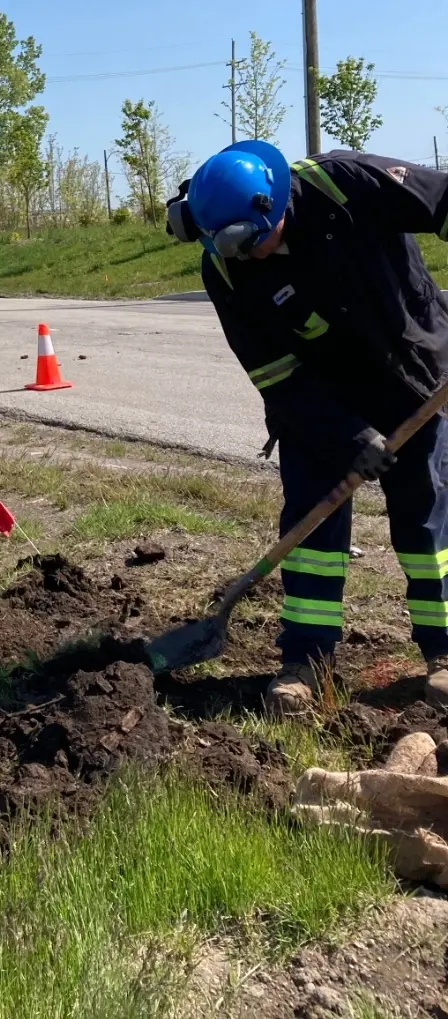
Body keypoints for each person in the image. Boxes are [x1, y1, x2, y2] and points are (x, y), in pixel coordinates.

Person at [165, 140, 448, 718]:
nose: (247, 258)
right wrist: (347, 435)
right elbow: (274, 373)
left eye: (251, 242)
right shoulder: (225, 265)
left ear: (274, 207)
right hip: (317, 400)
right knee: (311, 534)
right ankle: (305, 662)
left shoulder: (348, 183)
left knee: (427, 523)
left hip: (410, 374)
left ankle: (444, 654)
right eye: (230, 247)